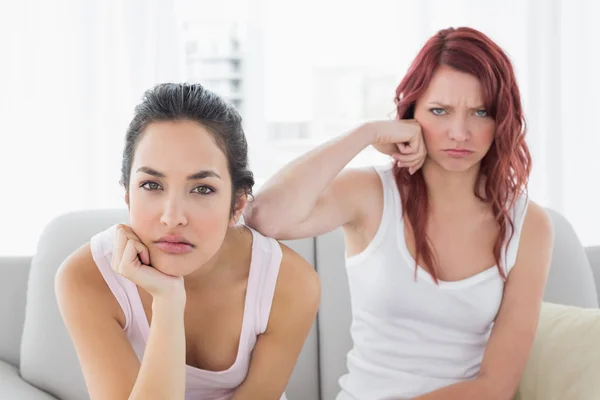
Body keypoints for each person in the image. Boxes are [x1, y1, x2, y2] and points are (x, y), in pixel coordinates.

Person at [245, 27, 553, 400]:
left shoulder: (529, 225)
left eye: (480, 112)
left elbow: (496, 386)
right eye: (439, 111)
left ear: (502, 118)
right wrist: (367, 133)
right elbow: (265, 217)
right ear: (412, 113)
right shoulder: (372, 195)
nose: (460, 132)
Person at [55, 83, 320, 400]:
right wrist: (167, 301)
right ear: (127, 194)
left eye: (202, 189)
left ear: (237, 204)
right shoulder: (86, 278)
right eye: (152, 185)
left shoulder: (288, 283)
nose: (172, 217)